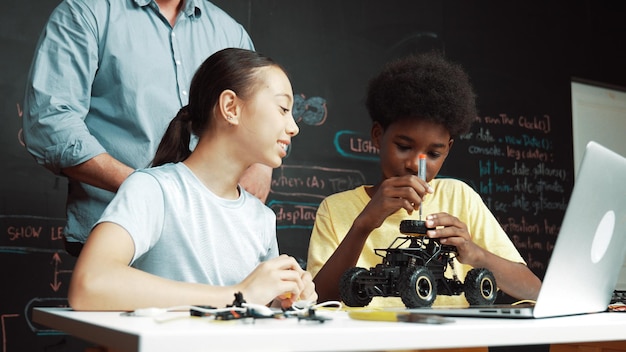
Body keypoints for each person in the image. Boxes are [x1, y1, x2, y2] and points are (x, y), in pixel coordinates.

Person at [68, 48, 316, 311]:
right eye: (283, 108)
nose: (294, 127)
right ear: (231, 107)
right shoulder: (153, 190)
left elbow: (255, 306)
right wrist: (238, 294)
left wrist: (282, 301)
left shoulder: (262, 218)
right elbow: (89, 284)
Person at [22, 0, 272, 257]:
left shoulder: (230, 32)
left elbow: (260, 115)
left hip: (215, 244)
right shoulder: (86, 12)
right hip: (121, 239)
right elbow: (51, 123)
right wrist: (149, 192)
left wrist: (261, 167)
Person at [306, 52, 542, 307]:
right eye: (404, 146)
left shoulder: (459, 197)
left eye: (433, 154)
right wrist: (363, 224)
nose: (415, 164)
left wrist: (474, 253)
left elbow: (535, 291)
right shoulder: (335, 209)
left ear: (448, 150)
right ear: (377, 135)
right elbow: (317, 302)